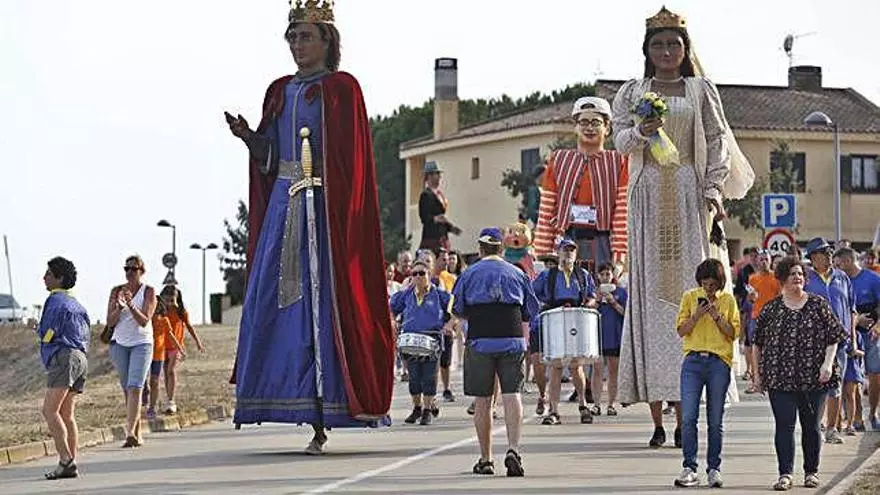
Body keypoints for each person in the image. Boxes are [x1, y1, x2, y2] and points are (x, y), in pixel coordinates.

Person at [225, 0, 395, 455]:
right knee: (279, 302)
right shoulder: (279, 91)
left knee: (328, 303)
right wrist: (249, 138)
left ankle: (331, 404)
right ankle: (293, 400)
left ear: (327, 41)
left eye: (306, 36)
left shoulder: (342, 90)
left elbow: (352, 163)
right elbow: (270, 156)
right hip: (285, 207)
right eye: (293, 37)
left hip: (326, 209)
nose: (298, 45)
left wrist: (333, 202)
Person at [611, 6, 754, 447]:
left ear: (685, 49)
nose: (666, 51)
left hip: (689, 191)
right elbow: (619, 140)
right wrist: (642, 131)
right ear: (647, 50)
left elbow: (716, 140)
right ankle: (658, 411)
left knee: (697, 292)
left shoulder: (699, 89)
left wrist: (712, 189)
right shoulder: (633, 91)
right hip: (648, 193)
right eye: (658, 44)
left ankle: (687, 410)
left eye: (674, 44)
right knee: (652, 298)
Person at [753, 257, 848, 491]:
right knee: (784, 426)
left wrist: (827, 364)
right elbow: (757, 343)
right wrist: (757, 375)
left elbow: (834, 337)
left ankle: (811, 472)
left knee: (811, 427)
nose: (798, 278)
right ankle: (785, 474)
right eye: (793, 274)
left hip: (814, 378)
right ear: (782, 279)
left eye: (800, 274)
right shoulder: (771, 308)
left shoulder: (818, 304)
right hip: (779, 378)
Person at [452, 227, 540, 477]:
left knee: (483, 400)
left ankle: (486, 458)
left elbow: (457, 309)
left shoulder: (469, 274)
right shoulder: (517, 273)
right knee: (512, 395)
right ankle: (513, 448)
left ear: (480, 249)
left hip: (481, 339)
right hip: (512, 338)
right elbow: (530, 309)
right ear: (501, 249)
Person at [533, 96, 629, 269]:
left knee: (602, 290)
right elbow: (546, 209)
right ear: (575, 128)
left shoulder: (619, 161)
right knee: (566, 290)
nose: (589, 128)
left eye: (596, 122)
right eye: (584, 122)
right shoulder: (558, 159)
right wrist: (542, 252)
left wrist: (620, 255)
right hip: (566, 240)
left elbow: (622, 211)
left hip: (603, 242)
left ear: (607, 128)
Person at [673, 259, 740, 488]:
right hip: (692, 361)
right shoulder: (690, 297)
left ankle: (714, 468)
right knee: (689, 417)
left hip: (718, 363)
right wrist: (697, 315)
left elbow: (733, 333)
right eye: (705, 283)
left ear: (719, 282)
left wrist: (716, 315)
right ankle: (689, 467)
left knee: (715, 420)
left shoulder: (728, 300)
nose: (708, 288)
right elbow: (681, 330)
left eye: (712, 284)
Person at [532, 239, 598, 425]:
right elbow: (533, 293)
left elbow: (592, 296)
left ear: (576, 254)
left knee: (576, 365)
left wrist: (589, 304)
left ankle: (583, 404)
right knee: (556, 365)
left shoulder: (583, 275)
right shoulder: (548, 275)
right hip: (555, 318)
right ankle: (553, 410)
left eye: (572, 250)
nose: (569, 253)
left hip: (576, 318)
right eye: (565, 250)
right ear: (558, 252)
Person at [38, 257, 90, 480]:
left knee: (50, 410)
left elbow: (48, 331)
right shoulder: (78, 304)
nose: (44, 277)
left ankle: (65, 461)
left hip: (64, 356)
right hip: (81, 357)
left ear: (59, 278)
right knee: (67, 414)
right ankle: (71, 459)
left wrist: (42, 336)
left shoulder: (55, 300)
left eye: (48, 274)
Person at [803, 238, 857, 444]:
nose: (827, 256)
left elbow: (852, 310)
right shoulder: (806, 279)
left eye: (828, 252)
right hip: (814, 342)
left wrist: (852, 338)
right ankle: (814, 427)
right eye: (822, 253)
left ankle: (832, 429)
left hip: (840, 341)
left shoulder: (842, 277)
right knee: (814, 385)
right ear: (813, 258)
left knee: (836, 385)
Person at [390, 259, 452, 425]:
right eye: (414, 274)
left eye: (421, 273)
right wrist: (393, 321)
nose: (418, 277)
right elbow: (392, 307)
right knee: (414, 378)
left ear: (429, 275)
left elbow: (455, 308)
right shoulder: (406, 295)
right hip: (410, 341)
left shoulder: (439, 295)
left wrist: (449, 325)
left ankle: (427, 410)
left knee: (429, 377)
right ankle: (417, 408)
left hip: (432, 340)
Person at [106, 255, 157, 448]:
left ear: (141, 271)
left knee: (136, 386)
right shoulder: (116, 291)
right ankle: (136, 432)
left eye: (133, 269)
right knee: (127, 389)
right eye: (126, 268)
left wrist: (131, 305)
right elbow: (110, 322)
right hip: (119, 343)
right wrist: (118, 307)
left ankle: (129, 433)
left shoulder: (149, 291)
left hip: (142, 343)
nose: (129, 272)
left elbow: (144, 320)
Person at [834, 246, 880, 431]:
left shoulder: (872, 279)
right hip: (849, 334)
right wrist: (855, 320)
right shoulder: (838, 281)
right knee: (852, 379)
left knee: (875, 374)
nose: (836, 267)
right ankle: (856, 417)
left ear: (847, 261)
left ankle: (873, 412)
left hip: (871, 335)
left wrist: (877, 326)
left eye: (838, 264)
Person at [159, 285, 204, 415]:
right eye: (166, 300)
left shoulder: (181, 312)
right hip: (162, 345)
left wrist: (198, 342)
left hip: (175, 346)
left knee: (171, 371)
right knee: (166, 373)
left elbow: (189, 327)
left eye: (172, 300)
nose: (169, 304)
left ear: (177, 299)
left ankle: (171, 401)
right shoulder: (160, 311)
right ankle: (168, 400)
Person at [592, 262, 627, 417]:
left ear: (613, 275)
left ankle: (611, 404)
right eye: (602, 274)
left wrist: (613, 302)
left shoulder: (621, 292)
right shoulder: (594, 292)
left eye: (608, 274)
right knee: (597, 370)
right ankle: (596, 404)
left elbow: (625, 313)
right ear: (598, 276)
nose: (605, 277)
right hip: (597, 337)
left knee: (614, 371)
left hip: (615, 336)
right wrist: (598, 300)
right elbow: (588, 311)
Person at [745, 249, 780, 394]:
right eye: (761, 259)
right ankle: (755, 381)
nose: (764, 262)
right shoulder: (752, 278)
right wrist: (751, 297)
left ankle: (773, 379)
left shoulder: (776, 278)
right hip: (756, 317)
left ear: (771, 261)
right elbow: (750, 299)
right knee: (755, 349)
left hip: (772, 317)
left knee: (773, 349)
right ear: (757, 261)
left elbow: (780, 297)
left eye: (766, 259)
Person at [145, 298, 184, 419]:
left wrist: (180, 349)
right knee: (143, 381)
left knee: (155, 381)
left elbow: (171, 336)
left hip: (158, 355)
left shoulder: (164, 320)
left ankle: (151, 408)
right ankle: (145, 395)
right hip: (145, 353)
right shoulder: (146, 320)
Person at [419, 162, 461, 251]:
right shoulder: (426, 195)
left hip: (443, 235)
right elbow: (424, 217)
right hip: (432, 237)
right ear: (429, 176)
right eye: (436, 174)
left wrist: (451, 227)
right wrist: (436, 218)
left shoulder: (440, 194)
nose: (439, 177)